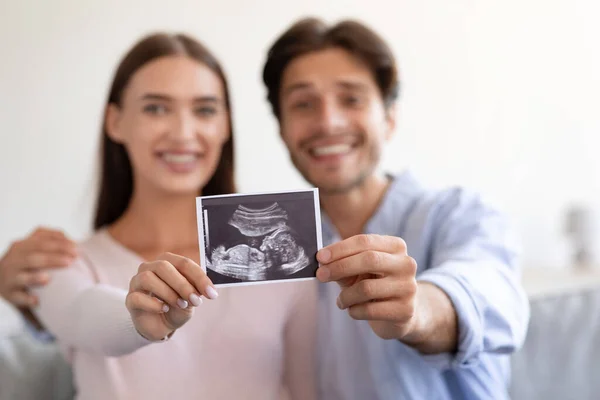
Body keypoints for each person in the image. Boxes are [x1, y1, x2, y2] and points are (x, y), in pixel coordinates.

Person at [19, 32, 316, 400]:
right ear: (115, 122)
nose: (182, 132)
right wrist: (139, 321)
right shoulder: (63, 262)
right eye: (156, 108)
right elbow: (85, 314)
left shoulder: (284, 263)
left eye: (205, 110)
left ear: (225, 125)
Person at [261, 17, 530, 399]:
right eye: (303, 104)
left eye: (351, 99)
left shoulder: (460, 215)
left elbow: (495, 296)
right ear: (282, 128)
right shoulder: (277, 251)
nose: (328, 122)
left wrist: (418, 309)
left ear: (388, 118)